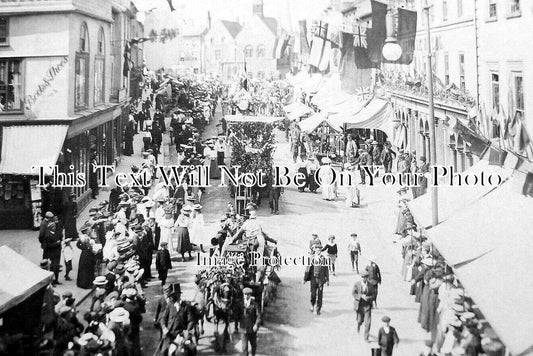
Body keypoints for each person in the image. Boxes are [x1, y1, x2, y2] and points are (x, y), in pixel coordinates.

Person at [155, 283, 195, 356]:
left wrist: (188, 330)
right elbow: (163, 318)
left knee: (192, 349)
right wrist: (164, 328)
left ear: (179, 294)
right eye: (172, 295)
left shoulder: (185, 306)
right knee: (164, 350)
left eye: (174, 294)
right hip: (171, 334)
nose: (173, 297)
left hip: (183, 334)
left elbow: (191, 320)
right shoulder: (169, 305)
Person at [303, 241, 329, 315]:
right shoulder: (311, 258)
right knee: (313, 294)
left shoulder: (324, 259)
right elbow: (307, 269)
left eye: (320, 250)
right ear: (314, 250)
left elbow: (326, 269)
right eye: (317, 250)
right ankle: (312, 305)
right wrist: (305, 279)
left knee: (320, 295)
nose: (318, 251)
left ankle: (318, 309)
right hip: (313, 279)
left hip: (321, 280)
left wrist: (327, 279)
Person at [352, 270, 375, 341]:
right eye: (363, 277)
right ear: (361, 277)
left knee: (368, 322)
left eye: (366, 277)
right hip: (359, 305)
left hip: (367, 306)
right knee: (359, 320)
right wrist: (360, 297)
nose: (365, 279)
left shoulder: (370, 285)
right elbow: (353, 293)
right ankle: (358, 325)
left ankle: (366, 337)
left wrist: (369, 297)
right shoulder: (357, 284)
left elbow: (373, 294)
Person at [241, 287, 261, 356]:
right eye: (245, 294)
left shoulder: (255, 304)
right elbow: (236, 314)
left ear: (250, 295)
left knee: (254, 346)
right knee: (244, 348)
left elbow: (258, 316)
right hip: (243, 329)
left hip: (252, 329)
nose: (246, 296)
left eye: (248, 294)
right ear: (243, 295)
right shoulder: (240, 304)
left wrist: (256, 325)